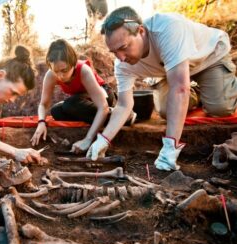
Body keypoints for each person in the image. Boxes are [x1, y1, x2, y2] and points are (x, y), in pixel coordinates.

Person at [87, 6, 237, 171]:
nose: (120, 58)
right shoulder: (122, 64)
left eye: (124, 47)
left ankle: (212, 88)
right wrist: (103, 139)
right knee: (167, 110)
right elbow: (123, 105)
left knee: (221, 107)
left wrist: (170, 147)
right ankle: (196, 91)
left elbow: (179, 88)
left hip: (208, 58)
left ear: (141, 31)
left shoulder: (167, 28)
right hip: (173, 70)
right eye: (114, 52)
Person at [30, 39, 135, 153]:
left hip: (103, 95)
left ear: (73, 63)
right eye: (56, 71)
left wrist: (88, 139)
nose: (60, 75)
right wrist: (41, 122)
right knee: (56, 111)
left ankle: (123, 115)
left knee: (70, 104)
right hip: (82, 101)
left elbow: (102, 106)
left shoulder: (83, 70)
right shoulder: (51, 75)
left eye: (64, 70)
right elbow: (43, 104)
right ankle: (101, 117)